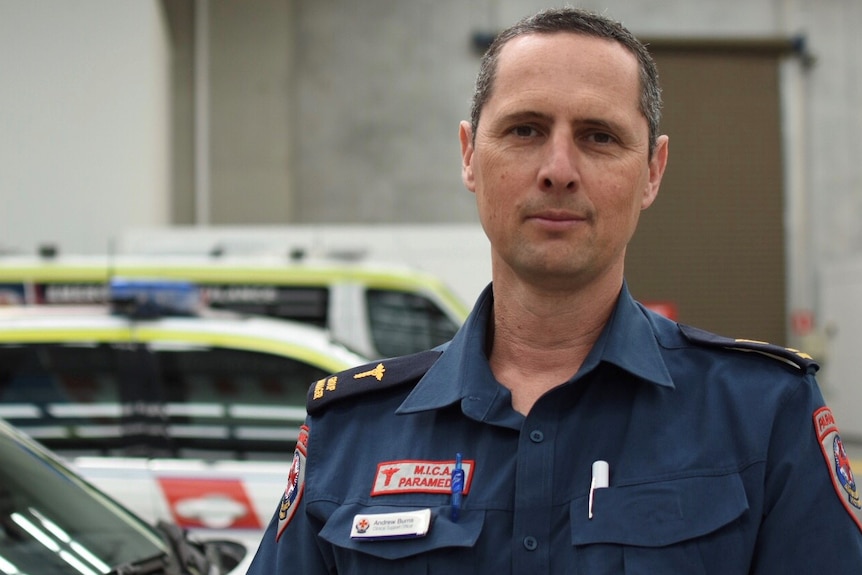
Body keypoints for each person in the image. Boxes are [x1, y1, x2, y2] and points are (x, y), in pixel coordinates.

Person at [247, 7, 862, 573]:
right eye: (524, 130)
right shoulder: (352, 434)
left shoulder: (762, 416)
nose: (558, 170)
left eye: (599, 136)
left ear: (652, 170)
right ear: (468, 156)